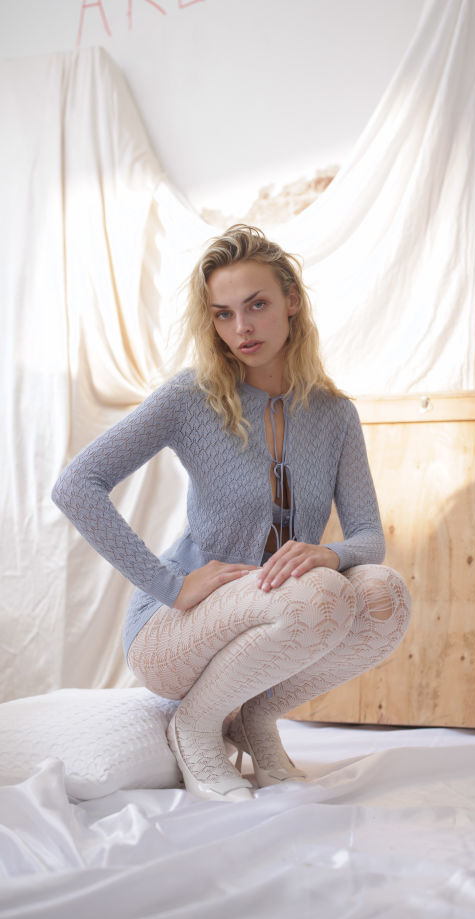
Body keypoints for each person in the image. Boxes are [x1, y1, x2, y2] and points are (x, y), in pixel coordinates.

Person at [52, 224, 412, 803]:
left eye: (256, 305)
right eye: (223, 314)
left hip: (279, 620)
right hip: (175, 631)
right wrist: (170, 586)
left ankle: (254, 716)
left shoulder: (334, 415)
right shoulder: (191, 397)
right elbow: (76, 485)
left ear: (291, 301)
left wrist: (329, 552)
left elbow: (369, 537)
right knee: (320, 594)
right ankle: (193, 724)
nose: (241, 327)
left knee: (384, 595)